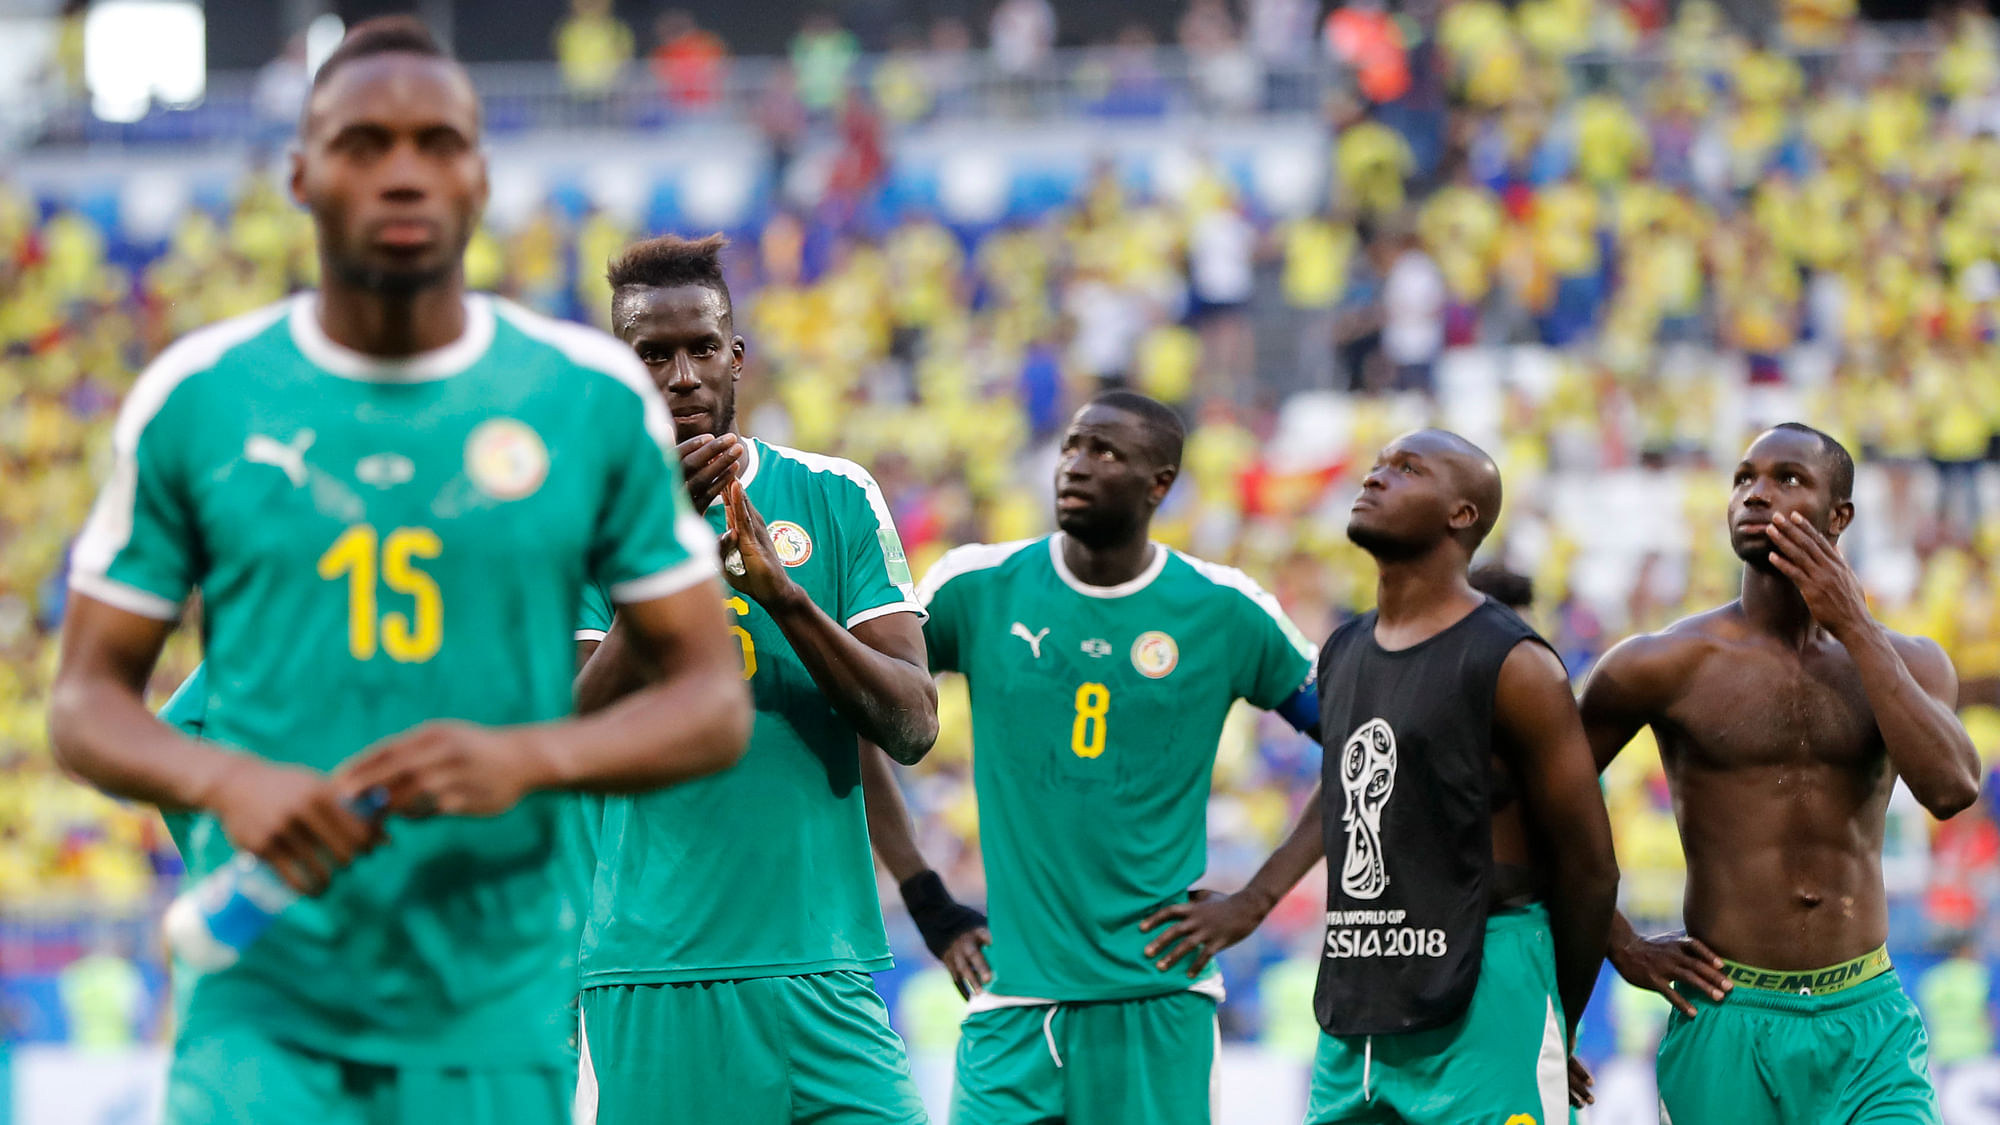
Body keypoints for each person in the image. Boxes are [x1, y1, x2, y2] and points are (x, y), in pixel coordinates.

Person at [47, 19, 750, 1125]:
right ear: (300, 173)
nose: (403, 170)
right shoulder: (199, 398)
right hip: (266, 1005)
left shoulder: (585, 401)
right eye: (364, 143)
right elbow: (86, 702)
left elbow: (711, 702)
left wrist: (532, 756)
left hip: (496, 1002)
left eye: (437, 141)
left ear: (477, 173)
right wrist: (231, 781)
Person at [570, 233, 956, 1123]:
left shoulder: (836, 494)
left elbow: (912, 723)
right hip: (658, 965)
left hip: (826, 965)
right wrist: (663, 552)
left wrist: (783, 597)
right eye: (652, 355)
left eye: (702, 347)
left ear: (736, 354)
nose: (682, 375)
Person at [1147, 429, 1619, 1124]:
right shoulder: (1344, 650)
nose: (1375, 477)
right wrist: (1255, 898)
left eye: (1406, 469)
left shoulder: (1516, 662)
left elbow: (1590, 869)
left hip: (1487, 981)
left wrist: (1558, 1016)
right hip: (1361, 982)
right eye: (1377, 465)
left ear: (1462, 515)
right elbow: (1344, 785)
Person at [918, 390, 1321, 1125]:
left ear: (1159, 483)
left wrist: (1256, 900)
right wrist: (926, 899)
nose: (1075, 465)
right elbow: (858, 709)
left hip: (1158, 1000)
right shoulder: (974, 585)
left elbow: (1367, 745)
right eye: (1071, 445)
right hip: (1013, 1003)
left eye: (1106, 452)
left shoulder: (1223, 608)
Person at [1580, 423, 1979, 1125]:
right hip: (1730, 1013)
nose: (1756, 494)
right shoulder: (1660, 663)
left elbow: (1951, 789)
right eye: (1743, 479)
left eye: (1787, 478)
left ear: (1840, 515)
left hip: (1869, 1018)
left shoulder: (1912, 663)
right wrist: (1619, 939)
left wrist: (1856, 626)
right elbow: (1532, 802)